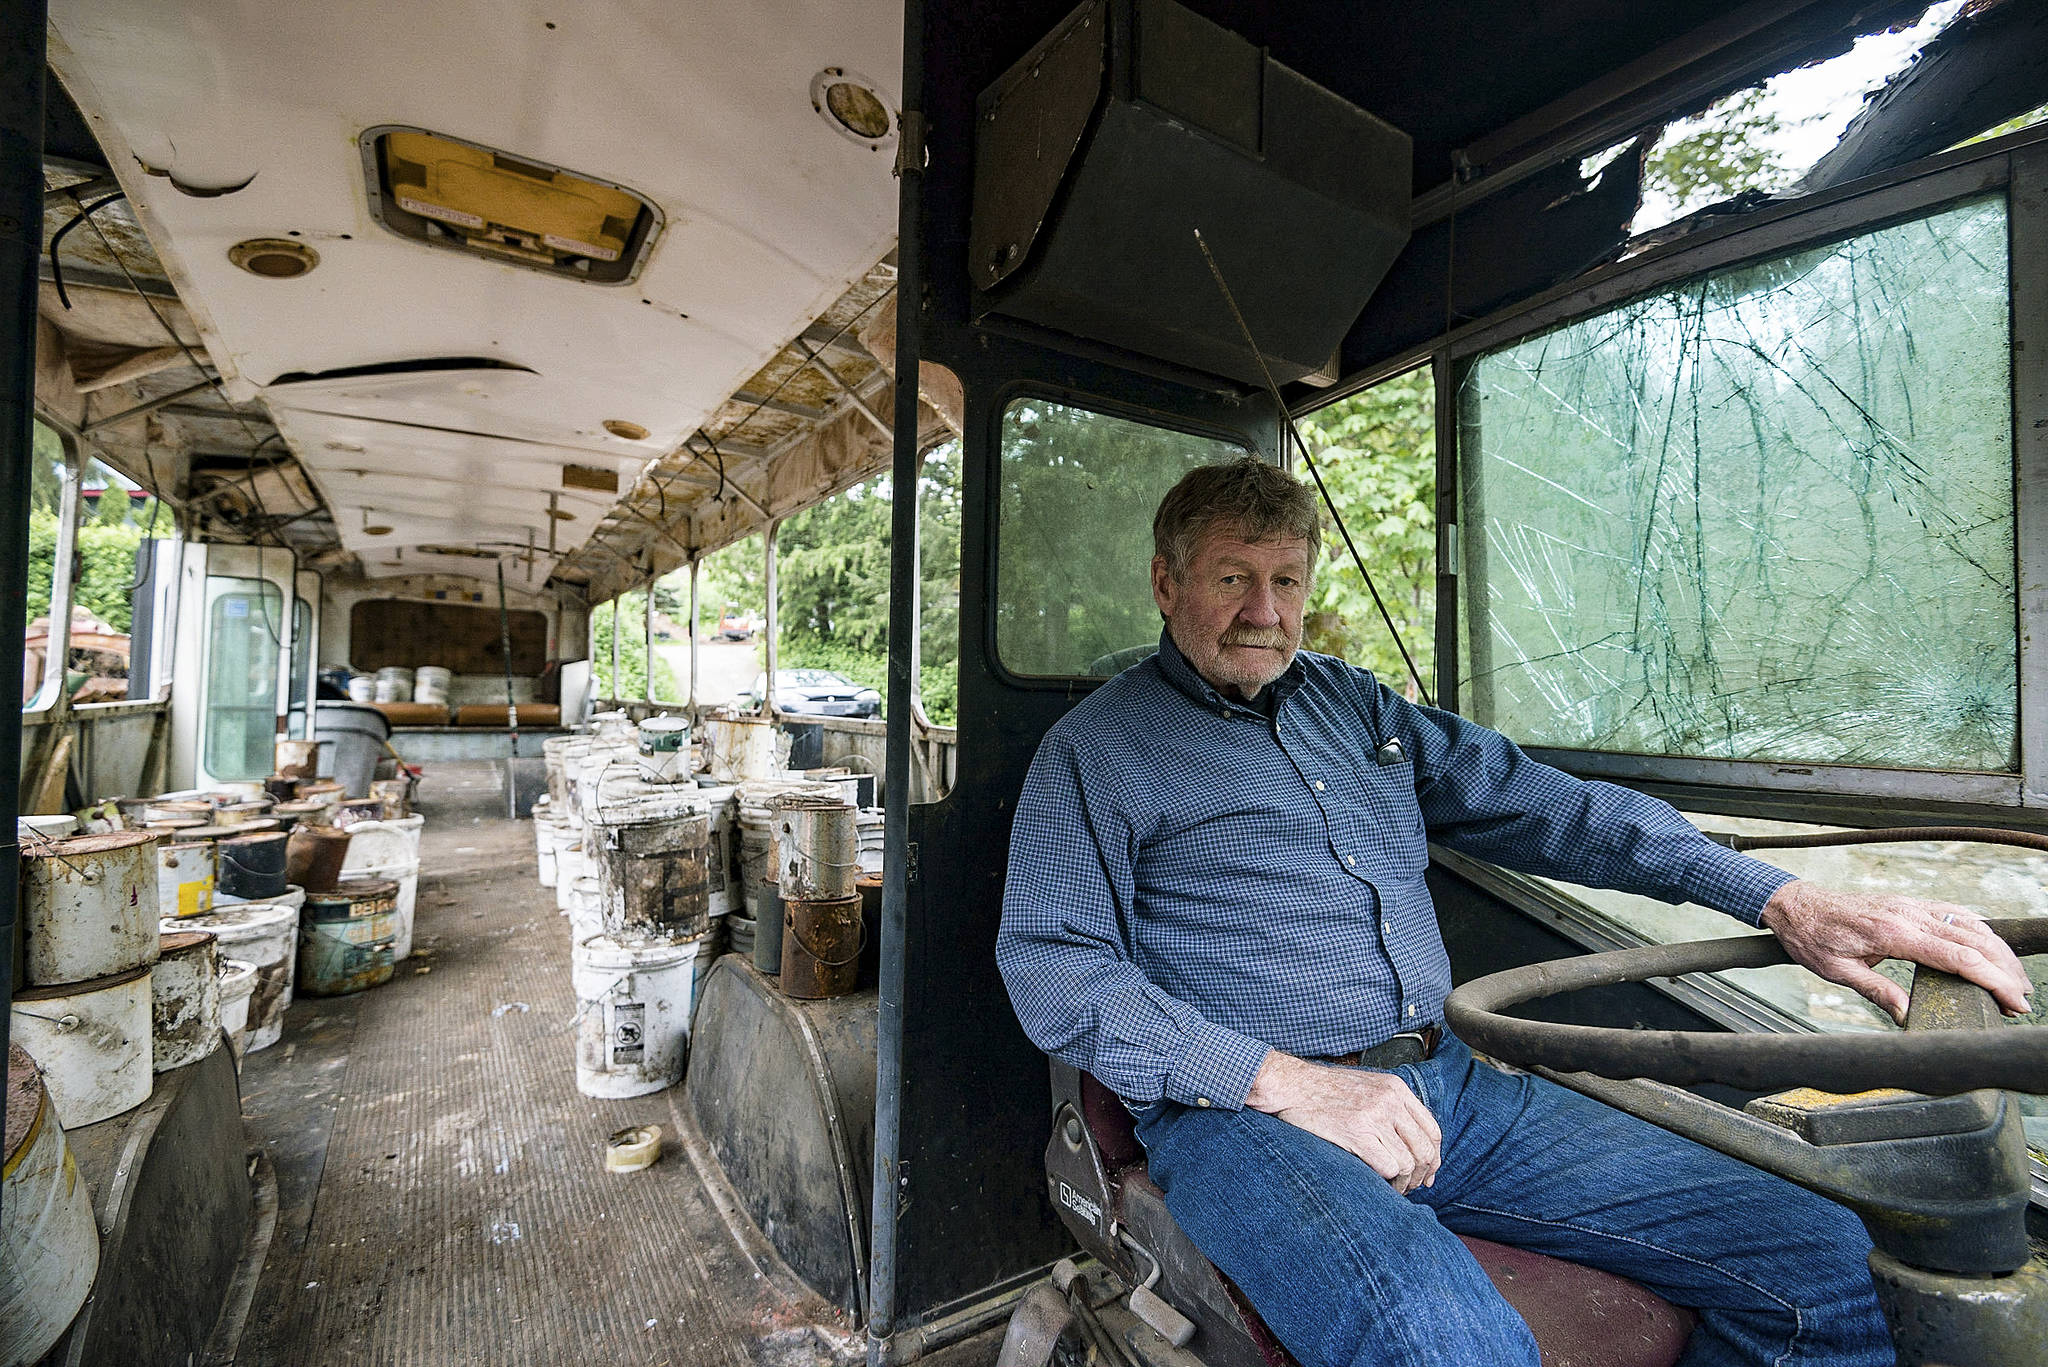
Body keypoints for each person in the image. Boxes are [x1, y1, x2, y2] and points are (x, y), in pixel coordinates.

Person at [995, 457, 2034, 1367]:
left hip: (1452, 1085)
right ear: (1165, 583)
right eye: (1232, 579)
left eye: (1286, 581)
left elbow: (1552, 808)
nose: (1265, 610)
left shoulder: (1354, 705)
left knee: (1821, 1252)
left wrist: (1780, 895)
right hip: (1250, 1119)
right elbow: (1059, 973)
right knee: (1445, 1346)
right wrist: (1292, 1086)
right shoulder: (1094, 751)